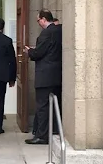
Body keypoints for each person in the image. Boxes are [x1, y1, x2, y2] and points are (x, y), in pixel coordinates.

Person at [24, 9, 62, 145]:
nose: (38, 23)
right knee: (55, 105)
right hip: (58, 75)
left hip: (45, 76)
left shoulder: (46, 33)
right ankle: (55, 130)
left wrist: (29, 51)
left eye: (38, 20)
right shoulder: (60, 30)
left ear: (44, 19)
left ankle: (42, 135)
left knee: (43, 107)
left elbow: (38, 54)